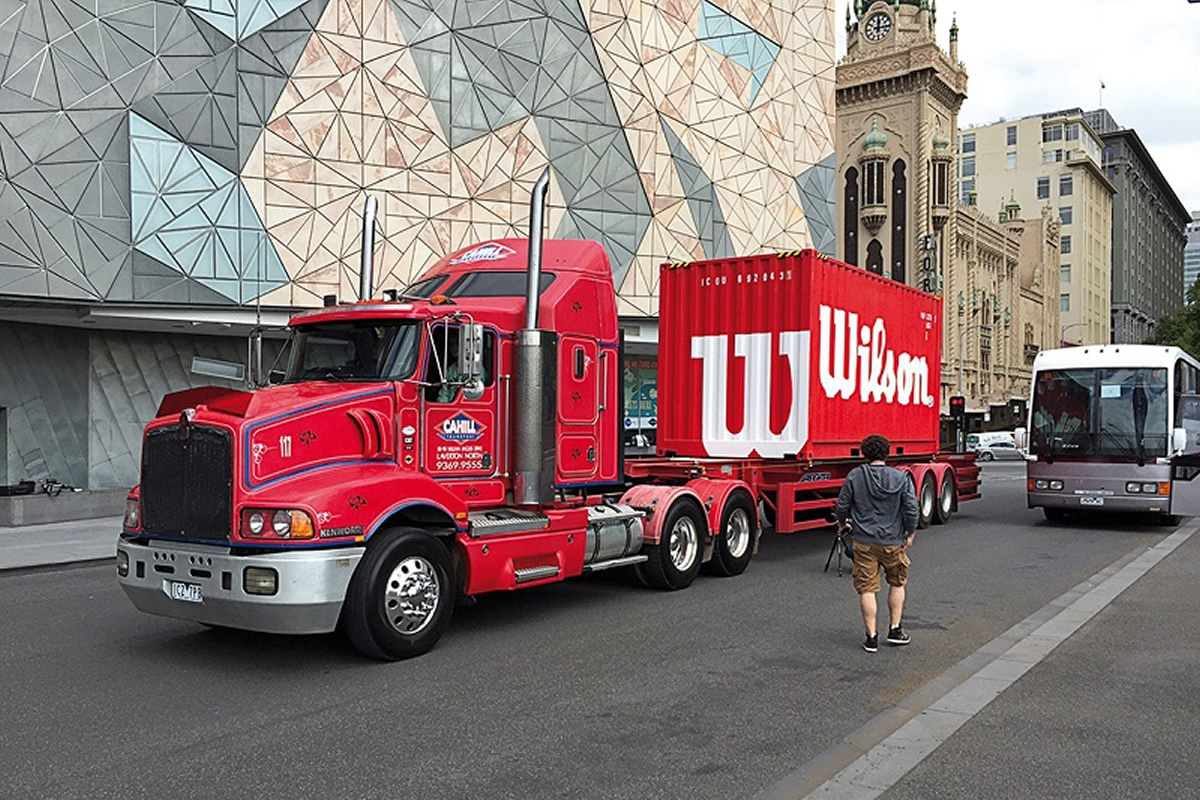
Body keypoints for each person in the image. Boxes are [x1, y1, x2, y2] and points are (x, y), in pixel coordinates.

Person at [833, 434, 919, 653]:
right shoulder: (900, 477)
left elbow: (842, 505)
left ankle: (871, 637)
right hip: (893, 540)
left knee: (867, 589)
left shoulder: (855, 476)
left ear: (865, 453)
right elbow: (911, 507)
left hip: (864, 541)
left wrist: (843, 524)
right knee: (897, 583)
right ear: (886, 453)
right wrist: (910, 532)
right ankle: (895, 629)